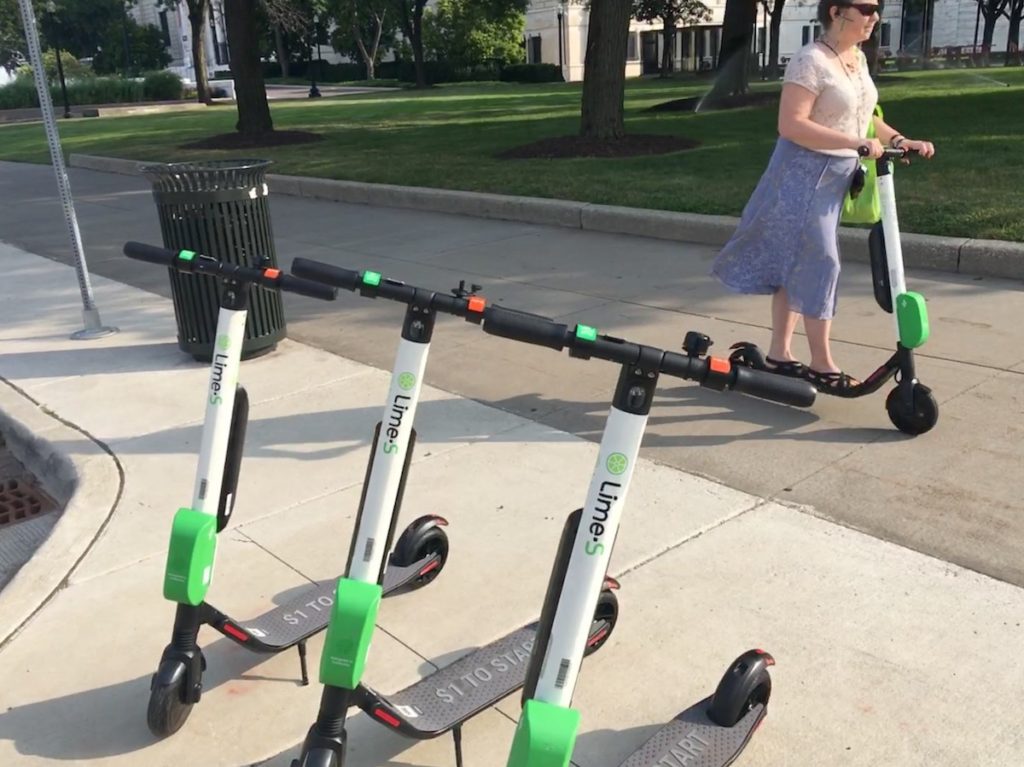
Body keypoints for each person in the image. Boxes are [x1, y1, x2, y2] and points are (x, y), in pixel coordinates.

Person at [711, 0, 935, 395]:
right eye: (866, 7)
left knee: (797, 262)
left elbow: (865, 114)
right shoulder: (809, 60)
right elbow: (791, 124)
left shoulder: (856, 59)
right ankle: (820, 362)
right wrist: (856, 144)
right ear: (836, 11)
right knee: (822, 261)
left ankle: (780, 353)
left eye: (876, 8)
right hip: (801, 175)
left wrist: (899, 140)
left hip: (834, 178)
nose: (874, 16)